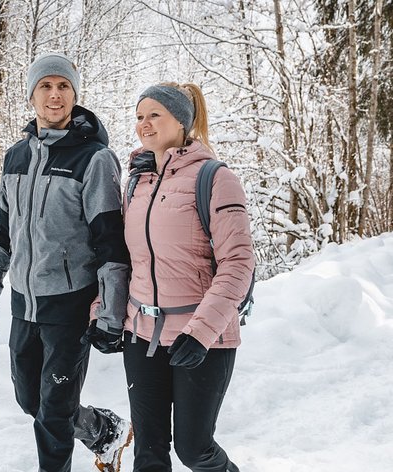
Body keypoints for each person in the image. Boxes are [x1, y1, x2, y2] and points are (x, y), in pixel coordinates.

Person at [0, 52, 133, 472]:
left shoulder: (94, 159)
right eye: (45, 86)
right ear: (32, 96)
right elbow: (3, 234)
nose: (55, 94)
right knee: (31, 401)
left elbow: (110, 243)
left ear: (75, 95)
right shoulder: (15, 157)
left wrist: (111, 313)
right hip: (24, 305)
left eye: (63, 86)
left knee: (54, 415)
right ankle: (102, 430)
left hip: (69, 306)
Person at [122, 82, 254, 472]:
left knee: (194, 449)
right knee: (148, 452)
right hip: (141, 334)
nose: (144, 124)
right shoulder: (136, 182)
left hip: (201, 337)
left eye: (154, 115)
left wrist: (201, 332)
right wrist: (105, 313)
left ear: (181, 120)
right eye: (139, 116)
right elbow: (124, 259)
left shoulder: (215, 178)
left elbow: (238, 263)